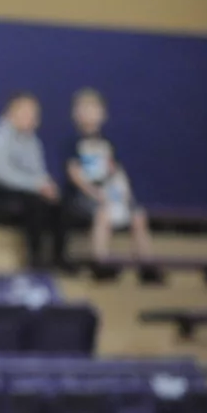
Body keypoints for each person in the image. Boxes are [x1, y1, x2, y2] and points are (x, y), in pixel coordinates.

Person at [64, 87, 160, 282]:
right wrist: (94, 192)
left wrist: (125, 194)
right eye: (84, 109)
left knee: (138, 216)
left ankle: (147, 265)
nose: (89, 113)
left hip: (111, 192)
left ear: (103, 114)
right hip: (85, 196)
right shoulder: (73, 144)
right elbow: (74, 173)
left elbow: (116, 171)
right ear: (75, 114)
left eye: (94, 109)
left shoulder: (108, 144)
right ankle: (101, 262)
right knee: (103, 214)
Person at [0, 92, 64, 268]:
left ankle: (58, 258)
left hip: (26, 192)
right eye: (25, 112)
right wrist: (37, 186)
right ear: (10, 113)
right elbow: (4, 175)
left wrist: (47, 185)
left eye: (33, 113)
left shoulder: (33, 141)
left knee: (57, 204)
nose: (30, 117)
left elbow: (39, 171)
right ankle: (35, 260)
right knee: (34, 205)